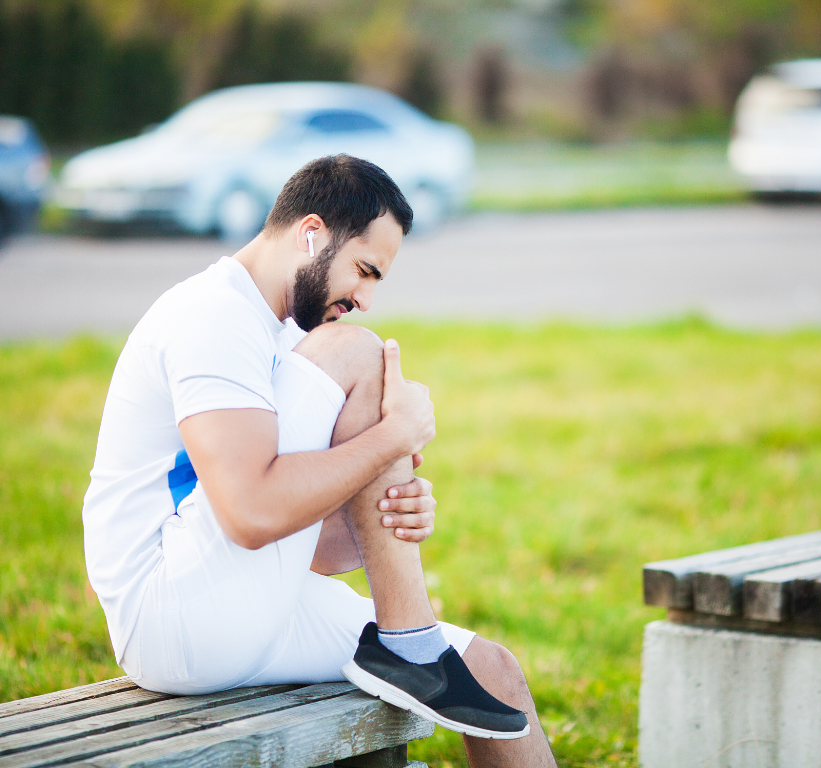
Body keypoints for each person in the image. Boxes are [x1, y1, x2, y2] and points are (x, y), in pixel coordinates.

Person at [82, 154, 557, 767]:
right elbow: (251, 514)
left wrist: (384, 517)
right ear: (311, 234)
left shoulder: (285, 335)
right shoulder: (214, 315)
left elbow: (312, 550)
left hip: (232, 606)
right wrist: (392, 440)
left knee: (493, 671)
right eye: (365, 270)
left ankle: (411, 641)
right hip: (171, 614)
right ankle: (409, 640)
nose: (365, 298)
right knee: (356, 352)